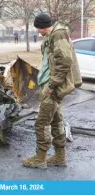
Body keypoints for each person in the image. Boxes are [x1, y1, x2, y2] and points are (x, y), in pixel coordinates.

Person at [22, 13, 82, 169]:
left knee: (41, 123)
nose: (38, 32)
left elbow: (65, 61)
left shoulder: (58, 34)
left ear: (42, 26)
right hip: (50, 85)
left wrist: (52, 85)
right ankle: (60, 157)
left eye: (38, 28)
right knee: (56, 121)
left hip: (53, 88)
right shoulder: (52, 35)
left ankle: (40, 159)